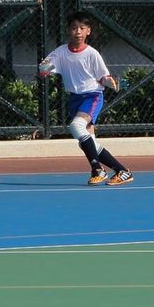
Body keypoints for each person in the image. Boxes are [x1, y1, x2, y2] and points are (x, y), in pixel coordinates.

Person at [37, 11, 133, 186]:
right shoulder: (60, 53)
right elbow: (45, 70)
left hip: (92, 96)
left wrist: (110, 82)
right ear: (68, 30)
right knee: (88, 143)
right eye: (74, 28)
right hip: (75, 99)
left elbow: (103, 77)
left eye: (82, 28)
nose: (78, 32)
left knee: (76, 126)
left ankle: (97, 169)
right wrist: (44, 69)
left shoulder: (92, 54)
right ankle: (122, 171)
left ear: (89, 31)